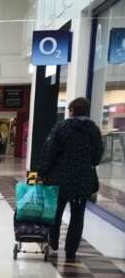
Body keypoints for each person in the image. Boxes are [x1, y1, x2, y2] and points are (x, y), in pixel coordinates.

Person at [39, 97, 104, 261]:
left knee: (56, 213)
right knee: (77, 216)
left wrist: (42, 172)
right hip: (83, 181)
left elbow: (50, 152)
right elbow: (97, 157)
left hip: (60, 179)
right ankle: (70, 251)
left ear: (71, 111)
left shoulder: (62, 127)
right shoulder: (93, 130)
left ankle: (53, 243)